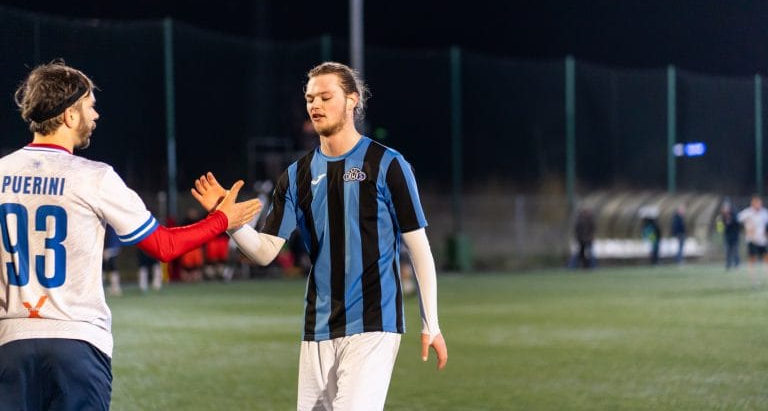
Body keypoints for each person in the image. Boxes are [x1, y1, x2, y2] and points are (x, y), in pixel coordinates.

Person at [0, 60, 262, 411]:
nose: (96, 115)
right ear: (69, 116)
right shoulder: (95, 177)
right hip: (78, 344)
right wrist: (220, 220)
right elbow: (164, 246)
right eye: (90, 106)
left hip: (10, 346)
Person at [192, 61, 448, 411]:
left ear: (352, 101)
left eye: (326, 97)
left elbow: (419, 248)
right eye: (310, 97)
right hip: (317, 328)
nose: (316, 105)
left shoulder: (387, 164)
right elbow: (266, 252)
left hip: (374, 323)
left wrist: (430, 323)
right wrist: (230, 221)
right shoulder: (296, 176)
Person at [737, 195, 768, 286]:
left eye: (760, 203)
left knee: (766, 258)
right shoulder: (747, 213)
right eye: (756, 203)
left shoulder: (764, 213)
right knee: (752, 260)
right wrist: (746, 230)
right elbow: (737, 220)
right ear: (753, 204)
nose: (758, 205)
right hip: (752, 240)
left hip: (762, 240)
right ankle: (754, 280)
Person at [717, 201, 740, 270]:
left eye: (727, 208)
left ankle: (737, 265)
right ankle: (728, 265)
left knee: (735, 251)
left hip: (735, 236)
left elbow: (738, 225)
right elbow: (720, 229)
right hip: (727, 236)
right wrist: (721, 224)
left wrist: (731, 220)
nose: (726, 210)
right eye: (725, 208)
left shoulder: (734, 215)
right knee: (727, 251)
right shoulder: (721, 217)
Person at [102, 224, 123, 296]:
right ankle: (115, 287)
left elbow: (109, 236)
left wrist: (107, 250)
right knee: (112, 268)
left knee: (110, 268)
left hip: (110, 248)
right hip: (114, 247)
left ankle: (115, 288)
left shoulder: (109, 225)